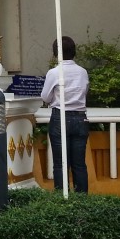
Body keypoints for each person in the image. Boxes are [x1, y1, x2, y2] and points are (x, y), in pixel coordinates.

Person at [40, 36, 89, 193]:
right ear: (74, 52)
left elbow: (45, 97)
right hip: (81, 118)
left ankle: (62, 199)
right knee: (79, 163)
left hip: (60, 117)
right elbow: (84, 92)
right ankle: (82, 199)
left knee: (60, 164)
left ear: (55, 53)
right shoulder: (83, 72)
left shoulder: (54, 73)